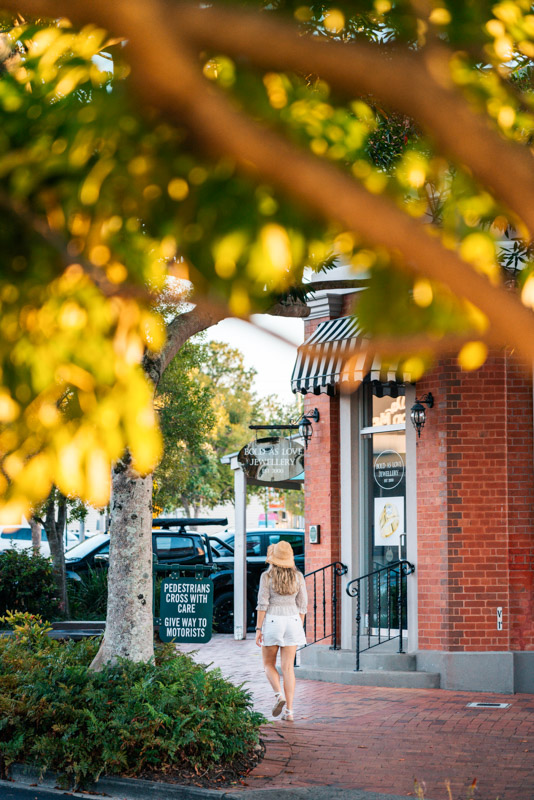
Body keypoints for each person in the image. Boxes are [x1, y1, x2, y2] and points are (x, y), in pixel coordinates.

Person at [255, 540, 308, 722]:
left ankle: (279, 696)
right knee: (288, 668)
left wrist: (258, 628)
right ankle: (290, 712)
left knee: (268, 664)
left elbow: (263, 604)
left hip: (272, 620)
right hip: (293, 620)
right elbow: (303, 606)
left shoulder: (266, 577)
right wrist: (298, 626)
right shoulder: (298, 577)